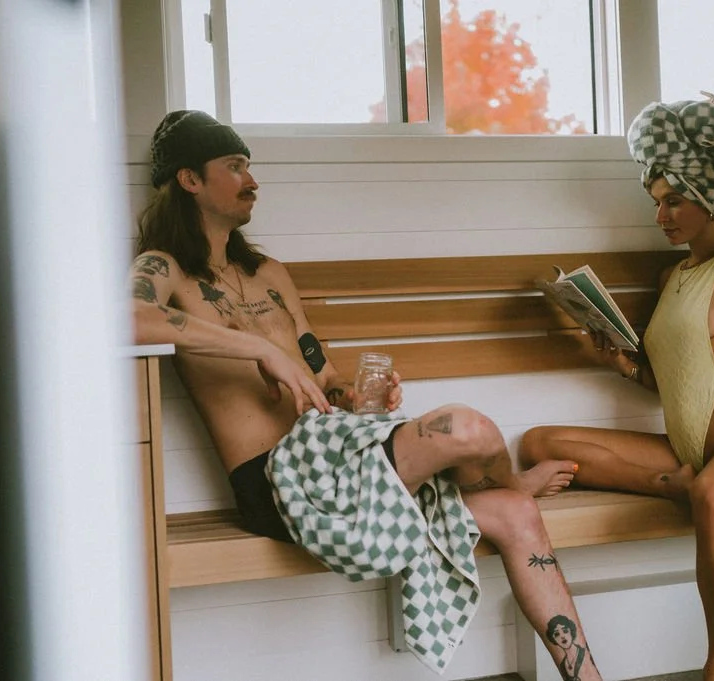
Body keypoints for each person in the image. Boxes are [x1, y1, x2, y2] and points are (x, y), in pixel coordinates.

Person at [128, 110, 598, 678]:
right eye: (235, 166)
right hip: (277, 482)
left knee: (517, 513)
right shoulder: (165, 268)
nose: (252, 181)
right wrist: (256, 349)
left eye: (250, 166)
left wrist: (356, 394)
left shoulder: (269, 273)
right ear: (190, 180)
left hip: (341, 458)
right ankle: (506, 475)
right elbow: (127, 316)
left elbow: (321, 376)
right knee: (468, 429)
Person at [520, 93, 714, 681]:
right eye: (656, 203)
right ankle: (684, 480)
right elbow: (669, 381)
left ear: (705, 192)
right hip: (685, 449)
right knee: (540, 444)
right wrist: (620, 363)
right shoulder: (671, 275)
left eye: (673, 200)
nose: (662, 216)